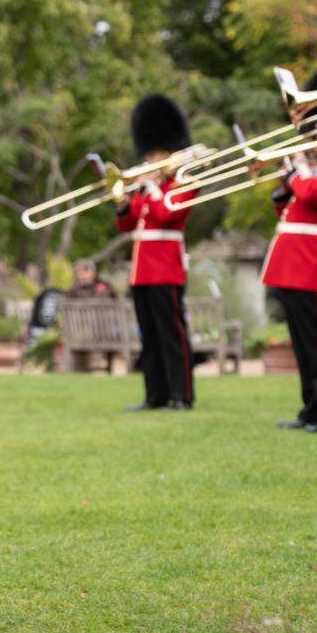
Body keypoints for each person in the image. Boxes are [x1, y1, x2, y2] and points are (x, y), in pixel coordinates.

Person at [261, 66, 317, 432]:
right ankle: (312, 408)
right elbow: (293, 209)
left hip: (315, 267)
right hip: (292, 266)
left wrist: (298, 171)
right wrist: (282, 187)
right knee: (304, 348)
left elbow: (312, 194)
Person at [116, 94, 197, 412]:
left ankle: (182, 395)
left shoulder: (184, 182)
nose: (149, 160)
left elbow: (167, 216)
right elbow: (129, 226)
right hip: (141, 270)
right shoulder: (146, 188)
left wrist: (150, 188)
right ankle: (156, 394)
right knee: (149, 335)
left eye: (155, 153)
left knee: (171, 333)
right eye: (147, 153)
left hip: (166, 267)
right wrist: (123, 205)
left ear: (169, 151)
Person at [66, 259, 118, 372]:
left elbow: (118, 298)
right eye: (78, 271)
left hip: (109, 329)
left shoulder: (104, 284)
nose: (81, 274)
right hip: (87, 332)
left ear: (93, 272)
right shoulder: (73, 289)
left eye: (84, 270)